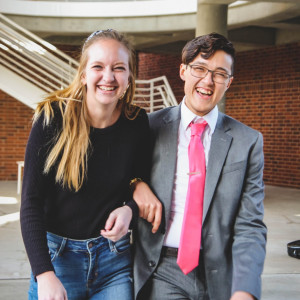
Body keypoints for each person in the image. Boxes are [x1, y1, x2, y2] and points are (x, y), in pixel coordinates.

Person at [132, 33, 267, 300]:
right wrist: (135, 184)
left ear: (229, 82)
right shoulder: (148, 127)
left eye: (219, 74)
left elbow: (250, 224)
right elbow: (113, 175)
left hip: (221, 273)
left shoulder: (248, 141)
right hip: (162, 268)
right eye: (200, 69)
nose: (207, 81)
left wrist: (245, 289)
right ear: (183, 71)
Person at [20, 29, 151, 300]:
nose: (108, 77)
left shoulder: (136, 122)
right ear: (83, 75)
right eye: (98, 67)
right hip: (57, 260)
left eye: (118, 68)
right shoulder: (52, 117)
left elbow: (136, 181)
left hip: (113, 261)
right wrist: (44, 274)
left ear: (128, 77)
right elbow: (31, 202)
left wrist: (130, 210)